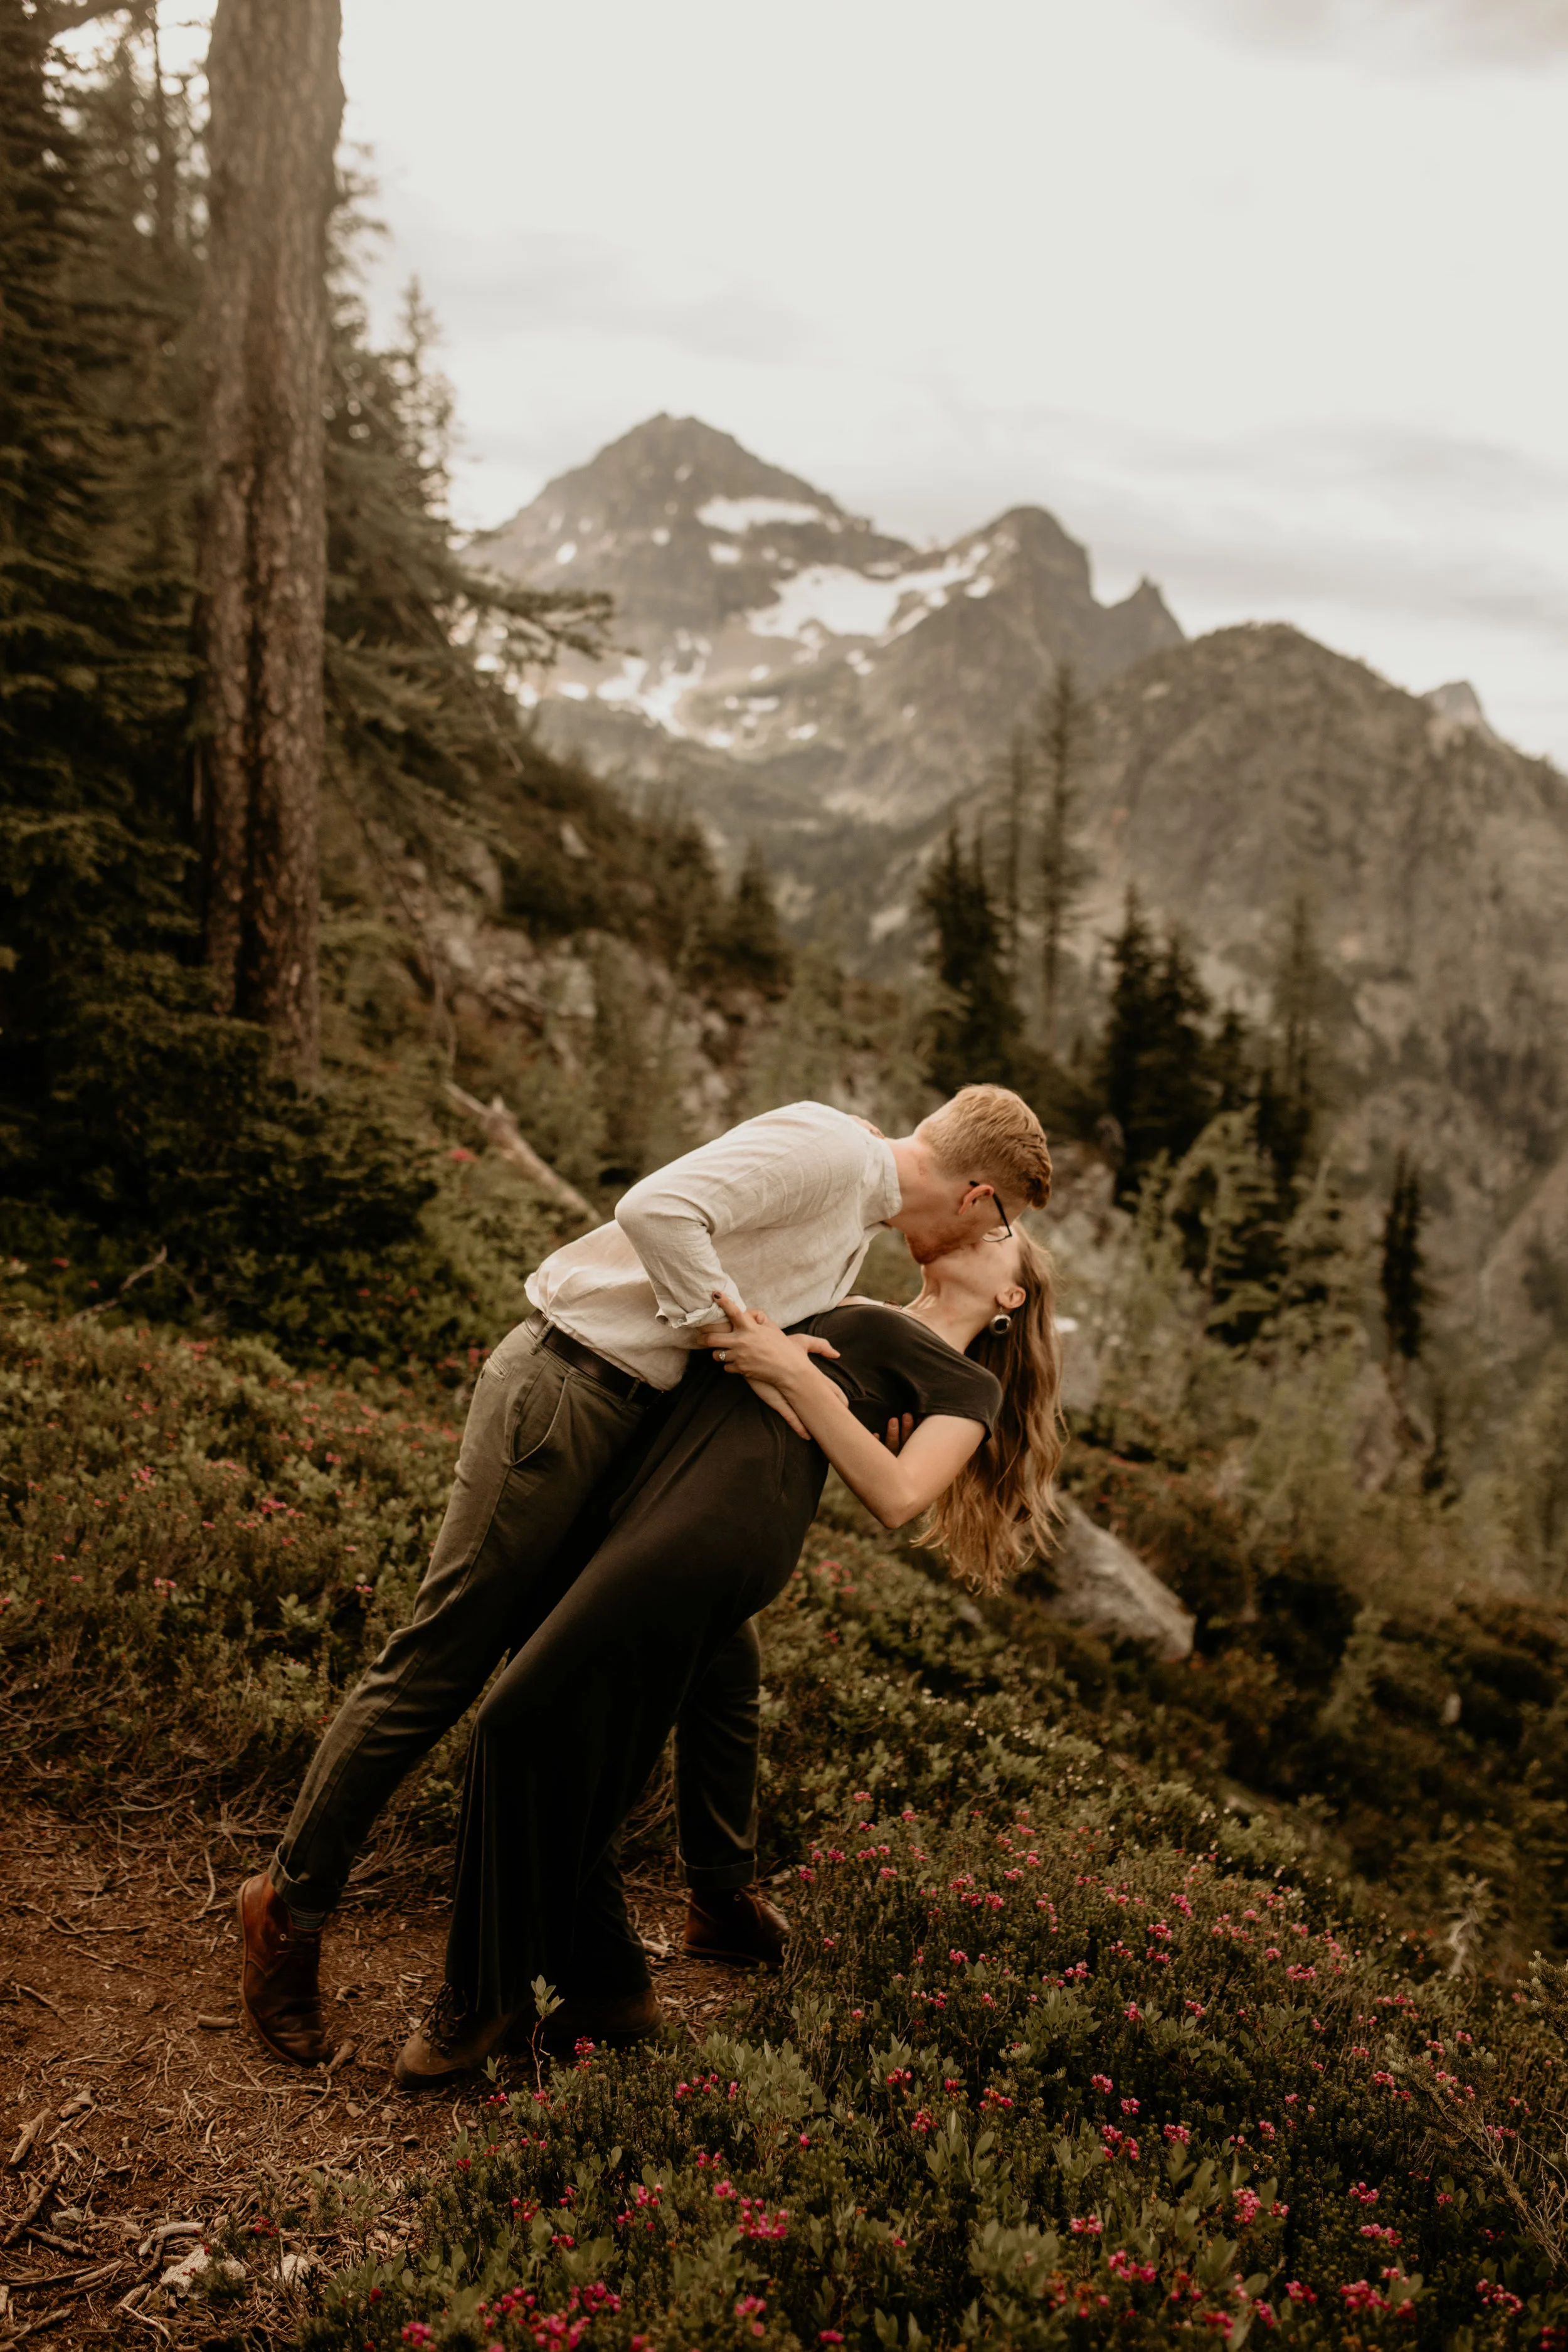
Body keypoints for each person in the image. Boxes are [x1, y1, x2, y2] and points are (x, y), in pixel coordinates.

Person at [237, 1087, 1055, 2064]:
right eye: (1004, 1216)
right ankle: (287, 1906)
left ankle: (616, 1967)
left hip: (627, 1428)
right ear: (977, 1196)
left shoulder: (854, 1229)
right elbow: (655, 1210)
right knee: (446, 1658)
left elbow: (809, 1366)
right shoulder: (833, 1153)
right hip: (568, 1386)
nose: (994, 1233)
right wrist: (731, 1328)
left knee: (677, 1665)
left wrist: (826, 1378)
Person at [394, 1217, 1065, 2086]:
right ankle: (608, 1986)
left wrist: (796, 1374)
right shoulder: (857, 1298)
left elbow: (898, 1493)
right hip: (663, 1484)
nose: (983, 1224)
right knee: (581, 1744)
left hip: (725, 1519)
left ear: (1012, 1294)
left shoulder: (969, 1384)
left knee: (516, 1724)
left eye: (1002, 1231)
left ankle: (483, 1997)